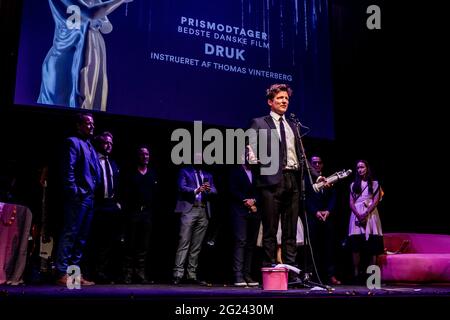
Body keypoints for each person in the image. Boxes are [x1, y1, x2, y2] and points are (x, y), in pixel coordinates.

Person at [248, 83, 305, 283]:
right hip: (271, 182)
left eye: (286, 99)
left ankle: (292, 274)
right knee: (270, 230)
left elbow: (300, 155)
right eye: (280, 98)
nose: (284, 102)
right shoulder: (259, 123)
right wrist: (261, 173)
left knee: (290, 231)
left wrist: (315, 176)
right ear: (270, 102)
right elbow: (252, 153)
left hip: (292, 180)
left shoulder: (293, 125)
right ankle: (270, 272)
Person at [38, 0, 133, 110]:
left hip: (92, 52)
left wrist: (99, 23)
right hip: (67, 55)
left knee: (88, 98)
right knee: (61, 101)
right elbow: (90, 14)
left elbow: (107, 27)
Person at [55, 113, 101, 286]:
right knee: (70, 234)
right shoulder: (72, 142)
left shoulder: (90, 146)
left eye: (93, 124)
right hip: (78, 197)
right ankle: (61, 272)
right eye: (88, 124)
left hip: (89, 198)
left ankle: (73, 275)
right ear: (79, 125)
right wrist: (74, 191)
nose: (91, 127)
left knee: (81, 238)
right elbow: (69, 170)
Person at [172, 158, 217, 285]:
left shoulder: (208, 174)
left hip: (203, 210)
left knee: (196, 246)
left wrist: (208, 190)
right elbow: (181, 187)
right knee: (184, 242)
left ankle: (191, 274)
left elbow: (215, 190)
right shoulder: (185, 171)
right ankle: (178, 274)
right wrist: (196, 190)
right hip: (189, 210)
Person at [89, 131, 122, 284]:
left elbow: (117, 184)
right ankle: (89, 272)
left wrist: (117, 202)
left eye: (111, 143)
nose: (109, 146)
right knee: (92, 240)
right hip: (96, 205)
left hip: (110, 207)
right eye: (106, 143)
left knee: (107, 243)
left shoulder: (113, 163)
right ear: (99, 143)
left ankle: (101, 272)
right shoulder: (93, 160)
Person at [121, 146, 158, 284]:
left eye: (147, 154)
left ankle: (140, 273)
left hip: (147, 213)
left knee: (143, 245)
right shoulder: (131, 174)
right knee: (130, 244)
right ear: (138, 156)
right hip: (133, 212)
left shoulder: (152, 174)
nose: (145, 156)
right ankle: (127, 274)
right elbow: (124, 193)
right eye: (142, 154)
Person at [304, 155, 341, 285]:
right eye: (314, 163)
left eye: (319, 162)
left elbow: (333, 197)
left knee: (329, 247)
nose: (317, 165)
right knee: (312, 248)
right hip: (313, 217)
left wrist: (328, 211)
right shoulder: (307, 180)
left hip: (327, 217)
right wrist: (315, 212)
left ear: (322, 164)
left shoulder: (328, 179)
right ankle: (311, 275)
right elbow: (306, 199)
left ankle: (330, 275)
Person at [348, 160, 383, 283]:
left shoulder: (374, 183)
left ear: (367, 168)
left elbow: (376, 200)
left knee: (373, 246)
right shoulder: (353, 185)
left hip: (371, 214)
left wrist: (366, 214)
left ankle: (373, 277)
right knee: (356, 245)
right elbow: (351, 202)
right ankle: (356, 275)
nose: (360, 169)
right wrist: (358, 215)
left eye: (362, 167)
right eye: (358, 168)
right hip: (356, 214)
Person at [229, 162, 260, 287]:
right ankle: (238, 275)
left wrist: (254, 200)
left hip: (254, 210)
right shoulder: (235, 170)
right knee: (240, 241)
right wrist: (245, 200)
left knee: (251, 244)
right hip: (239, 210)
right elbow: (232, 189)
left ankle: (247, 274)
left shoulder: (256, 171)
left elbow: (260, 188)